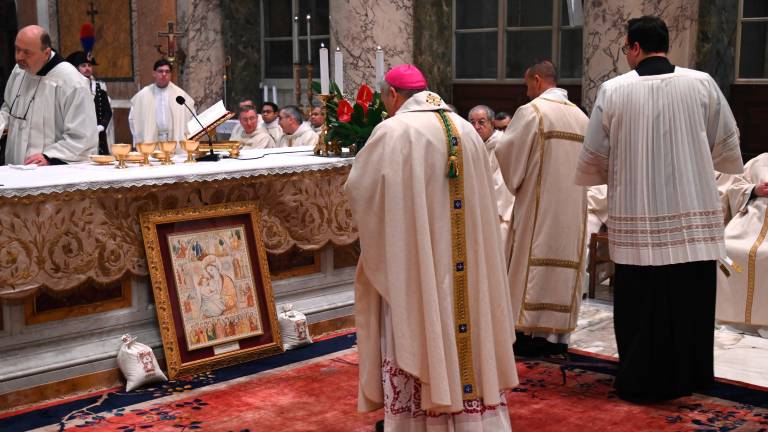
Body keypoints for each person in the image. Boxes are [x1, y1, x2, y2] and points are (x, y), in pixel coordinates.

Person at [575, 16, 744, 402]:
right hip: (692, 213)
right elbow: (725, 147)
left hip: (637, 214)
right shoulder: (702, 83)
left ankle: (639, 378)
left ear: (634, 47)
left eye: (625, 49)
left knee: (641, 302)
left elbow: (596, 155)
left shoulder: (614, 91)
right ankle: (691, 375)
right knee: (687, 300)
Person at [346, 64, 518, 431]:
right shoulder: (465, 129)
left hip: (418, 264)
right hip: (466, 264)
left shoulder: (393, 132)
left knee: (417, 322)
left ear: (393, 94)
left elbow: (359, 192)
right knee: (467, 323)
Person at [495, 60, 588, 356]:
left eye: (527, 85)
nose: (527, 91)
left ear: (537, 80)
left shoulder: (532, 112)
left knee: (528, 260)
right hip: (572, 211)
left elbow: (508, 156)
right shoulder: (581, 117)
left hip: (539, 210)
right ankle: (556, 337)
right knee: (564, 265)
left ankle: (527, 332)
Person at [1, 25, 97, 165]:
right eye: (17, 49)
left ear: (46, 53)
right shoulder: (19, 71)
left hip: (48, 172)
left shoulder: (72, 82)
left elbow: (83, 136)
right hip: (16, 167)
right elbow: (8, 108)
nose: (19, 57)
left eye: (27, 52)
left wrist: (49, 156)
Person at [716, 153, 768, 336]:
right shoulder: (760, 161)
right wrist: (755, 189)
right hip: (750, 221)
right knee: (727, 249)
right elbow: (735, 188)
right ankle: (729, 317)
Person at [469, 104, 514, 261]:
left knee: (497, 259)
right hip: (479, 214)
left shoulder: (503, 145)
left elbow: (500, 184)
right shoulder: (472, 146)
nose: (476, 127)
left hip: (500, 214)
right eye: (472, 123)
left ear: (492, 123)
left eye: (481, 122)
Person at [129, 59, 194, 145]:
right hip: (151, 143)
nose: (164, 74)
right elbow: (133, 119)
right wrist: (139, 138)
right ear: (154, 73)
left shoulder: (180, 95)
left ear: (171, 74)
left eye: (167, 72)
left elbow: (192, 118)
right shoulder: (143, 95)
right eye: (160, 71)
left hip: (175, 143)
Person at [66, 50, 112, 155]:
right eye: (83, 65)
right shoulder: (72, 87)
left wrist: (101, 126)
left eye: (89, 65)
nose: (87, 68)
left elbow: (107, 111)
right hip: (79, 136)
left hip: (99, 136)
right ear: (76, 68)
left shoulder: (99, 87)